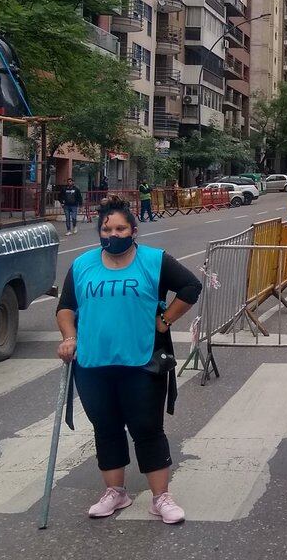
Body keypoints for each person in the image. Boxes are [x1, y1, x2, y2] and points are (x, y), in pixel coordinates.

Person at [55, 195, 202, 523]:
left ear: (134, 231)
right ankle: (115, 493)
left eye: (121, 228)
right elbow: (66, 307)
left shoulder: (153, 260)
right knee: (105, 428)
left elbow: (191, 287)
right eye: (107, 228)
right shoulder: (83, 265)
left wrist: (165, 320)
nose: (113, 234)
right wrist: (69, 337)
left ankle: (161, 498)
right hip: (93, 364)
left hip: (141, 362)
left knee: (147, 428)